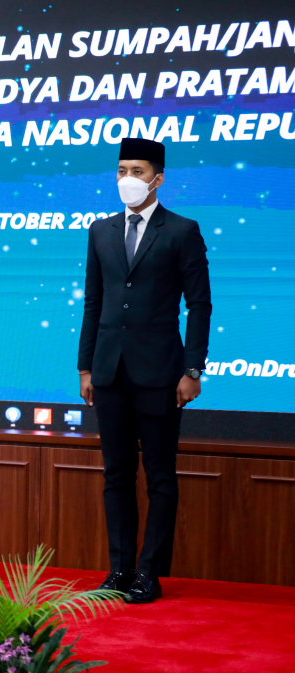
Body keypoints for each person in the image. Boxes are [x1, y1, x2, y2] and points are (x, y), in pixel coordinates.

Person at [77, 138, 211, 604]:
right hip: (108, 371)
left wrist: (193, 368)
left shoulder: (182, 230)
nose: (127, 179)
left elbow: (199, 305)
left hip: (161, 372)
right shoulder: (101, 230)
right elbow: (93, 303)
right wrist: (85, 366)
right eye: (121, 170)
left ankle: (148, 573)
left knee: (159, 476)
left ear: (158, 179)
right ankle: (119, 570)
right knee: (116, 474)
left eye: (136, 171)